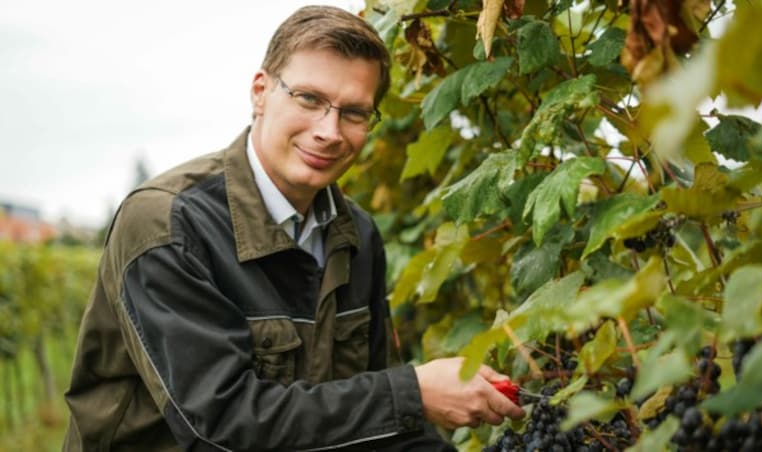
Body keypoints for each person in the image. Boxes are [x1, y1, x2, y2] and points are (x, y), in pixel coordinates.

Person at [63, 5, 524, 451]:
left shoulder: (357, 237)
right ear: (260, 92)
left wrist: (411, 404)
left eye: (355, 113)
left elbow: (380, 428)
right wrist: (412, 394)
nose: (329, 130)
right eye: (309, 99)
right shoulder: (168, 226)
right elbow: (219, 426)